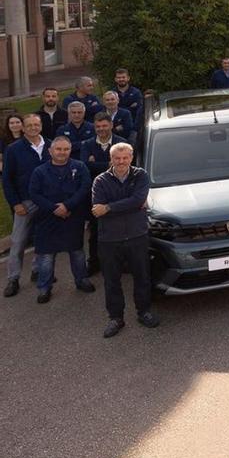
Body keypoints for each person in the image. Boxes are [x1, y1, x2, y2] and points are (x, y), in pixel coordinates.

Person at [91, 143, 157, 338]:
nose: (121, 162)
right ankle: (116, 318)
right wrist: (132, 204)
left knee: (142, 277)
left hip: (137, 236)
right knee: (112, 281)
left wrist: (109, 208)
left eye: (125, 158)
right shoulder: (100, 181)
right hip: (109, 239)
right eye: (117, 158)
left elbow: (137, 200)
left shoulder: (141, 175)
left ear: (131, 157)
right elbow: (97, 209)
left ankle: (144, 312)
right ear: (111, 159)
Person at [29, 137, 93, 303]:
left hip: (73, 217)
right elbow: (34, 193)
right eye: (58, 149)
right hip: (47, 219)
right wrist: (54, 209)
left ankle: (82, 280)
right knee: (46, 257)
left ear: (70, 150)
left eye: (66, 149)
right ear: (50, 151)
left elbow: (85, 187)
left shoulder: (79, 167)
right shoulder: (39, 171)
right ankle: (44, 288)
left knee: (77, 252)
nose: (62, 152)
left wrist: (67, 206)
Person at [3, 115, 50, 298]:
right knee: (18, 241)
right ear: (23, 128)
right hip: (25, 202)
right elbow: (7, 179)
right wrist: (15, 203)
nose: (33, 128)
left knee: (43, 238)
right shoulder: (13, 149)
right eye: (29, 125)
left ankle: (38, 271)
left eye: (36, 124)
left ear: (41, 126)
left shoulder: (50, 145)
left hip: (46, 202)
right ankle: (13, 278)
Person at [81, 112, 125, 275]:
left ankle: (121, 263)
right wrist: (107, 164)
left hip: (118, 194)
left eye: (104, 125)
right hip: (96, 196)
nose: (101, 129)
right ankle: (94, 262)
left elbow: (123, 168)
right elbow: (85, 167)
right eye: (98, 126)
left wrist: (95, 164)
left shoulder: (122, 143)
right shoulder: (87, 144)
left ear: (111, 125)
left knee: (119, 230)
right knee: (96, 231)